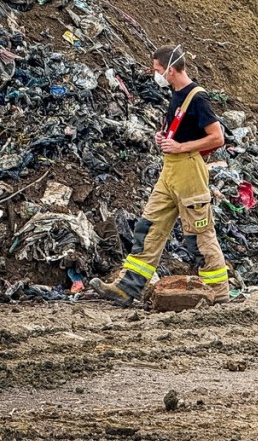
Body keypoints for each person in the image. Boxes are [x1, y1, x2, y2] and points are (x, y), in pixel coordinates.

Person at [91, 45, 230, 306]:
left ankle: (218, 292)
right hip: (170, 170)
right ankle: (127, 287)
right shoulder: (177, 95)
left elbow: (217, 136)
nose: (155, 75)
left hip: (189, 170)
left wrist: (180, 147)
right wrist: (165, 137)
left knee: (198, 234)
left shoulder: (197, 97)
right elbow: (183, 130)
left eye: (157, 70)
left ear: (171, 69)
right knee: (148, 227)